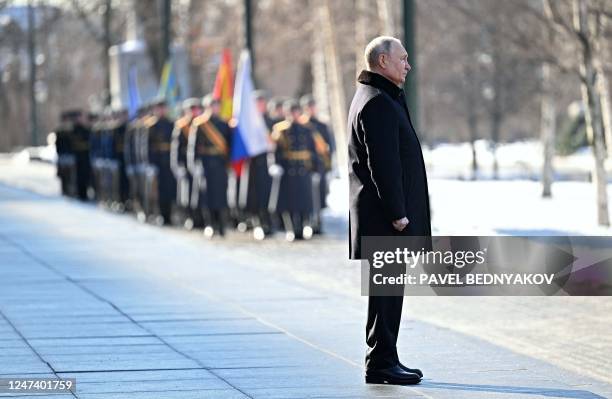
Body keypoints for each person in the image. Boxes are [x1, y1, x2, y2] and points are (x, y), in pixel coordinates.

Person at [348, 36, 431, 385]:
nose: (408, 65)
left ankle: (384, 356)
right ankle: (381, 361)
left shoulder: (378, 96)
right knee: (386, 291)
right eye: (403, 58)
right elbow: (383, 164)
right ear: (383, 61)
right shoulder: (378, 101)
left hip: (384, 217)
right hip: (386, 218)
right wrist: (398, 212)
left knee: (387, 290)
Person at [270, 100, 318, 241]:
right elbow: (276, 151)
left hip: (303, 169)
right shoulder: (281, 130)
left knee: (304, 202)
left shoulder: (307, 129)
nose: (295, 115)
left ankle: (303, 227)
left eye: (297, 112)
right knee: (289, 202)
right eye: (292, 112)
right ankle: (291, 228)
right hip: (288, 169)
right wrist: (275, 164)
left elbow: (312, 151)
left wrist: (315, 169)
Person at [188, 96, 232, 237]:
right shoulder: (200, 124)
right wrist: (196, 164)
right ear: (207, 108)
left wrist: (229, 164)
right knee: (208, 196)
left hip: (220, 164)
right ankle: (210, 224)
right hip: (206, 164)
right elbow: (193, 148)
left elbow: (229, 146)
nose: (215, 108)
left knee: (221, 196)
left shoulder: (224, 124)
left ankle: (222, 225)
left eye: (217, 106)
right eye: (212, 106)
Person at [299, 94, 334, 234]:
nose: (311, 110)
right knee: (306, 194)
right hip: (305, 165)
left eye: (313, 107)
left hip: (320, 164)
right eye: (309, 107)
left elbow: (329, 146)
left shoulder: (322, 126)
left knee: (319, 194)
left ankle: (318, 222)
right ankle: (307, 220)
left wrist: (329, 166)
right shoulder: (301, 125)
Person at [171, 98, 203, 228]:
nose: (194, 112)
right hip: (185, 163)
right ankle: (189, 217)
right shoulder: (181, 126)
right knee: (187, 193)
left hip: (200, 162)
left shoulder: (203, 125)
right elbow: (176, 149)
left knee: (201, 192)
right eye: (192, 109)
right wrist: (177, 166)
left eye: (196, 109)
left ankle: (201, 218)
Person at [143, 99, 176, 224]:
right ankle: (161, 215)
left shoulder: (172, 123)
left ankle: (170, 215)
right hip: (157, 161)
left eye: (164, 108)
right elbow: (147, 146)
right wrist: (150, 163)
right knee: (159, 191)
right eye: (159, 108)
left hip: (170, 160)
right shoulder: (151, 125)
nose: (162, 111)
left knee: (170, 189)